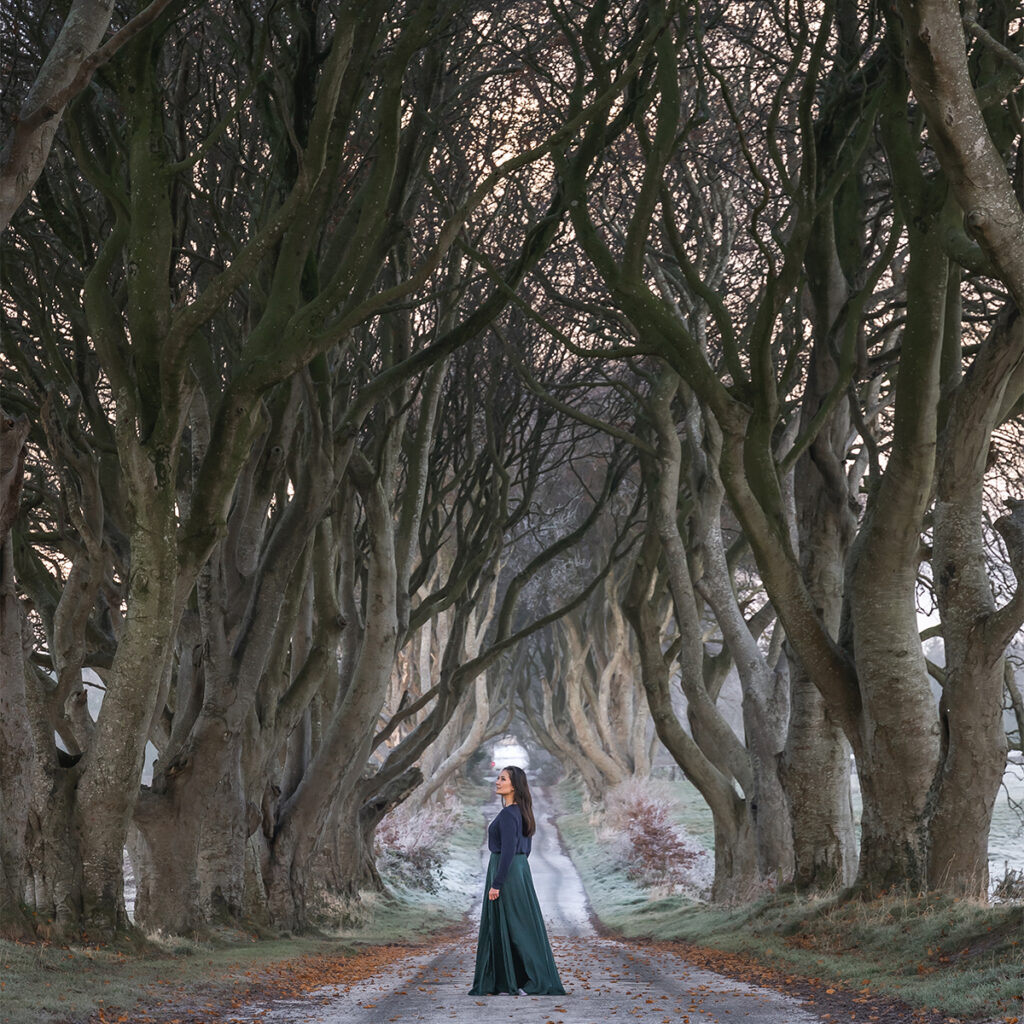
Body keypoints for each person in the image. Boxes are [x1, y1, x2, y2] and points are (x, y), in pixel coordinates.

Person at [468, 765, 566, 996]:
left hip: (507, 871)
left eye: (502, 779)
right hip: (518, 870)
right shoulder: (521, 812)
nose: (497, 782)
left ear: (514, 786)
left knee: (516, 927)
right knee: (516, 925)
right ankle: (510, 980)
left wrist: (498, 883)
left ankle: (532, 980)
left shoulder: (509, 814)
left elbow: (509, 851)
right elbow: (525, 850)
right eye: (498, 778)